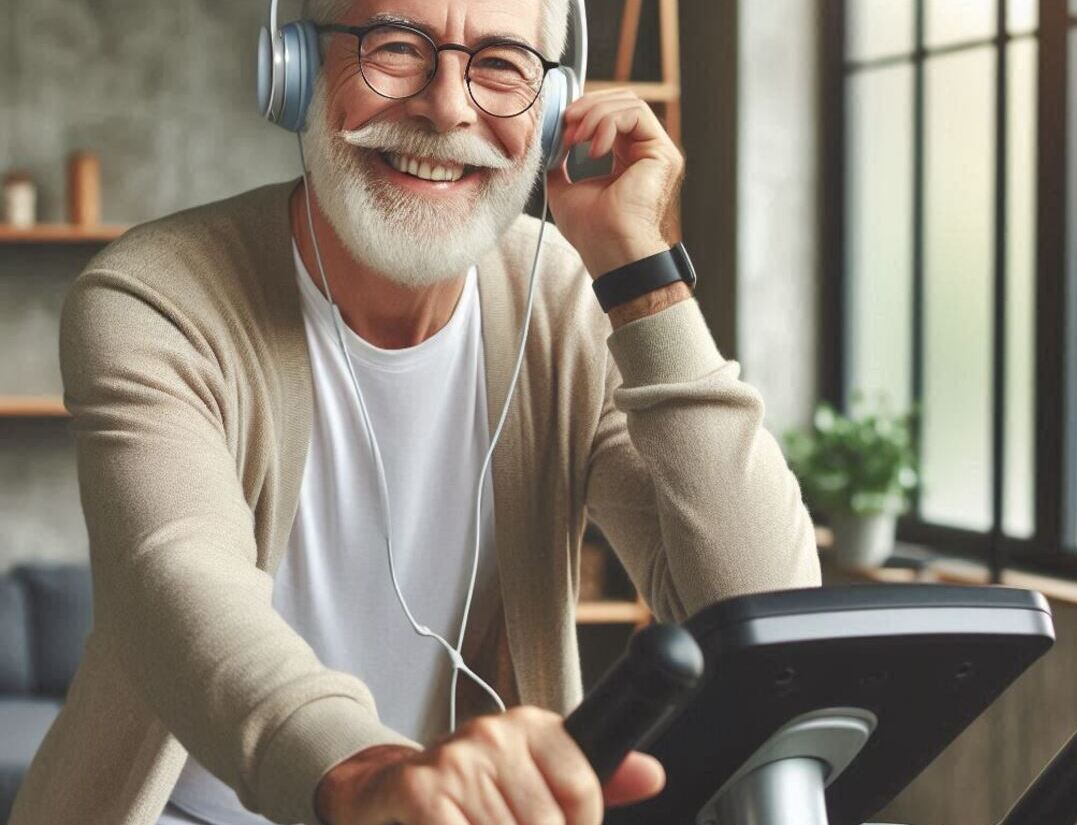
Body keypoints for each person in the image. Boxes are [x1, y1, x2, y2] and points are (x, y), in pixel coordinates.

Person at [9, 0, 821, 823]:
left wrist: (640, 272)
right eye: (396, 47)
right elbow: (178, 578)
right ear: (295, 70)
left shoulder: (564, 305)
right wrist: (370, 777)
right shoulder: (151, 296)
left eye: (502, 63)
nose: (448, 105)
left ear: (549, 113)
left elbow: (771, 626)